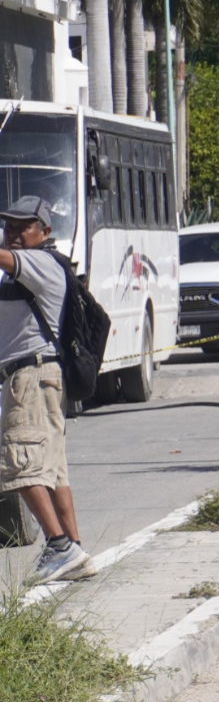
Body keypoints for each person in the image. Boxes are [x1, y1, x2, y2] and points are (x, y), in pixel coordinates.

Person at [0, 196, 95, 585]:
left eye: (24, 227)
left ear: (44, 231)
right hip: (42, 377)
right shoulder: (27, 270)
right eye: (9, 226)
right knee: (53, 471)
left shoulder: (40, 262)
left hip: (31, 377)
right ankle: (74, 550)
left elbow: (5, 259)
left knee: (19, 463)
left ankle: (59, 547)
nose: (14, 234)